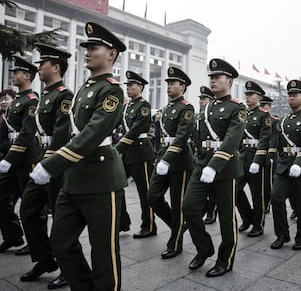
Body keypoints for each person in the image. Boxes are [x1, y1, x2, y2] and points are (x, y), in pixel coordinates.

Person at [30, 21, 128, 290]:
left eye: (93, 47)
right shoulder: (84, 88)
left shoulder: (112, 91)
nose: (87, 51)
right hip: (74, 180)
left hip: (101, 181)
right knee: (60, 242)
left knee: (103, 254)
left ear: (111, 54)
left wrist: (52, 164)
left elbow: (92, 135)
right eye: (86, 47)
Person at [183, 58, 245, 277]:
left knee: (227, 218)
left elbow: (232, 139)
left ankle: (225, 260)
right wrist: (201, 160)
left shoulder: (237, 107)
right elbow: (199, 137)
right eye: (211, 77)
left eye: (217, 77)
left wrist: (215, 164)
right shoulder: (207, 107)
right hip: (202, 166)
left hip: (224, 168)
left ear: (228, 80)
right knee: (188, 207)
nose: (213, 81)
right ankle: (204, 248)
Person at [19, 43, 73, 289]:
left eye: (42, 64)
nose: (38, 68)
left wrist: (47, 164)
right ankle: (44, 259)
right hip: (41, 160)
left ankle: (69, 268)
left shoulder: (64, 95)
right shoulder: (45, 96)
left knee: (61, 218)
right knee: (29, 210)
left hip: (55, 164)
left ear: (56, 67)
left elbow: (61, 135)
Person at [147, 67, 194, 259]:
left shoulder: (187, 108)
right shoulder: (166, 109)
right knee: (152, 197)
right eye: (167, 83)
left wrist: (166, 159)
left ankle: (175, 243)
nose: (168, 86)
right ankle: (179, 225)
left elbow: (182, 137)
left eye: (172, 83)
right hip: (164, 158)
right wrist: (159, 157)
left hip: (180, 161)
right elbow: (160, 137)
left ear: (182, 86)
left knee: (178, 204)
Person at [270, 80, 301, 251]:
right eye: (289, 95)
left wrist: (299, 162)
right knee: (276, 197)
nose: (291, 98)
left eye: (294, 95)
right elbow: (276, 143)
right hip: (284, 165)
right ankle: (282, 234)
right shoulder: (281, 121)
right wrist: (272, 157)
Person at [0, 56, 40, 253]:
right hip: (12, 157)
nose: (13, 75)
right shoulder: (16, 100)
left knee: (30, 205)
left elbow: (27, 132)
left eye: (17, 72)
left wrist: (9, 158)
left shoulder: (32, 100)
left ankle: (36, 246)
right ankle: (13, 235)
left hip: (26, 159)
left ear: (27, 75)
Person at [116, 70, 157, 238]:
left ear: (140, 87)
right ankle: (122, 222)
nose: (128, 88)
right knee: (116, 186)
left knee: (144, 192)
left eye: (131, 85)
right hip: (127, 154)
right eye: (127, 85)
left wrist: (119, 147)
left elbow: (137, 128)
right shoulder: (126, 107)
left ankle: (149, 225)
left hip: (140, 153)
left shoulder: (144, 105)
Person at [236, 81, 271, 237]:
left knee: (258, 195)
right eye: (247, 94)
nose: (248, 97)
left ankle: (258, 224)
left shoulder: (264, 115)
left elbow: (265, 139)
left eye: (251, 95)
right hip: (242, 158)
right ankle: (247, 217)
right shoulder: (242, 114)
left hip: (257, 158)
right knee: (236, 190)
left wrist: (257, 161)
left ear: (259, 97)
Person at [196, 86, 217, 225]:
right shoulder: (199, 115)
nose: (201, 101)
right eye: (201, 98)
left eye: (204, 98)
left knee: (213, 187)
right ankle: (203, 209)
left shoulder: (213, 114)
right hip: (202, 153)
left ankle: (211, 212)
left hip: (215, 153)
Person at [259, 95, 278, 213]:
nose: (261, 108)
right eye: (260, 105)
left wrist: (271, 153)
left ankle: (267, 203)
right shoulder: (257, 118)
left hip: (270, 154)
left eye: (263, 106)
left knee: (268, 181)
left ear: (269, 107)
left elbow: (275, 139)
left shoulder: (274, 121)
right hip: (257, 154)